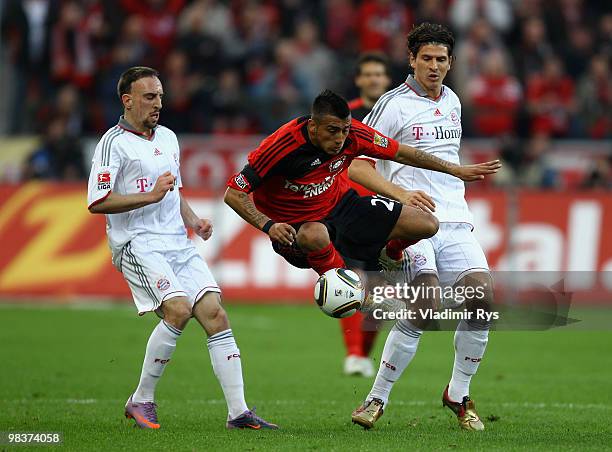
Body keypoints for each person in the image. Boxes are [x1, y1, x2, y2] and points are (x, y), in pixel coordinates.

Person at [87, 66, 277, 430]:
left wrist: (192, 220)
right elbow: (97, 202)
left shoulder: (169, 138)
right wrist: (150, 195)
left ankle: (238, 412)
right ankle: (140, 400)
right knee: (178, 310)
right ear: (127, 101)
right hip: (137, 243)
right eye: (149, 97)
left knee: (215, 314)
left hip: (177, 241)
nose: (158, 103)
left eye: (159, 96)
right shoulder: (113, 143)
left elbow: (173, 191)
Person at [224, 89, 499, 310]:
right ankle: (358, 295)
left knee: (427, 223)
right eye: (332, 130)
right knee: (315, 235)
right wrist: (269, 226)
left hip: (342, 205)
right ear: (313, 125)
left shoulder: (354, 134)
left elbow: (401, 152)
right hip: (297, 224)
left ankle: (390, 256)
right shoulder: (282, 146)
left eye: (344, 129)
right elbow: (234, 193)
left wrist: (454, 169)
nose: (340, 138)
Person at [349, 22, 495, 431]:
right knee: (427, 303)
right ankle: (376, 399)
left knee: (482, 298)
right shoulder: (392, 105)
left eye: (441, 59)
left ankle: (458, 393)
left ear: (451, 63)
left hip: (455, 219)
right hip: (411, 223)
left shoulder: (453, 101)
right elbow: (359, 165)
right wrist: (399, 194)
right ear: (411, 60)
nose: (434, 66)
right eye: (426, 58)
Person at [342, 53, 394, 377]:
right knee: (350, 281)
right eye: (369, 74)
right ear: (360, 80)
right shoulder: (346, 115)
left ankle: (363, 354)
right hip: (348, 208)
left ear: (386, 80)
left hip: (386, 211)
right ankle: (353, 353)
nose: (374, 79)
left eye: (379, 74)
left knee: (380, 291)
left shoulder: (397, 113)